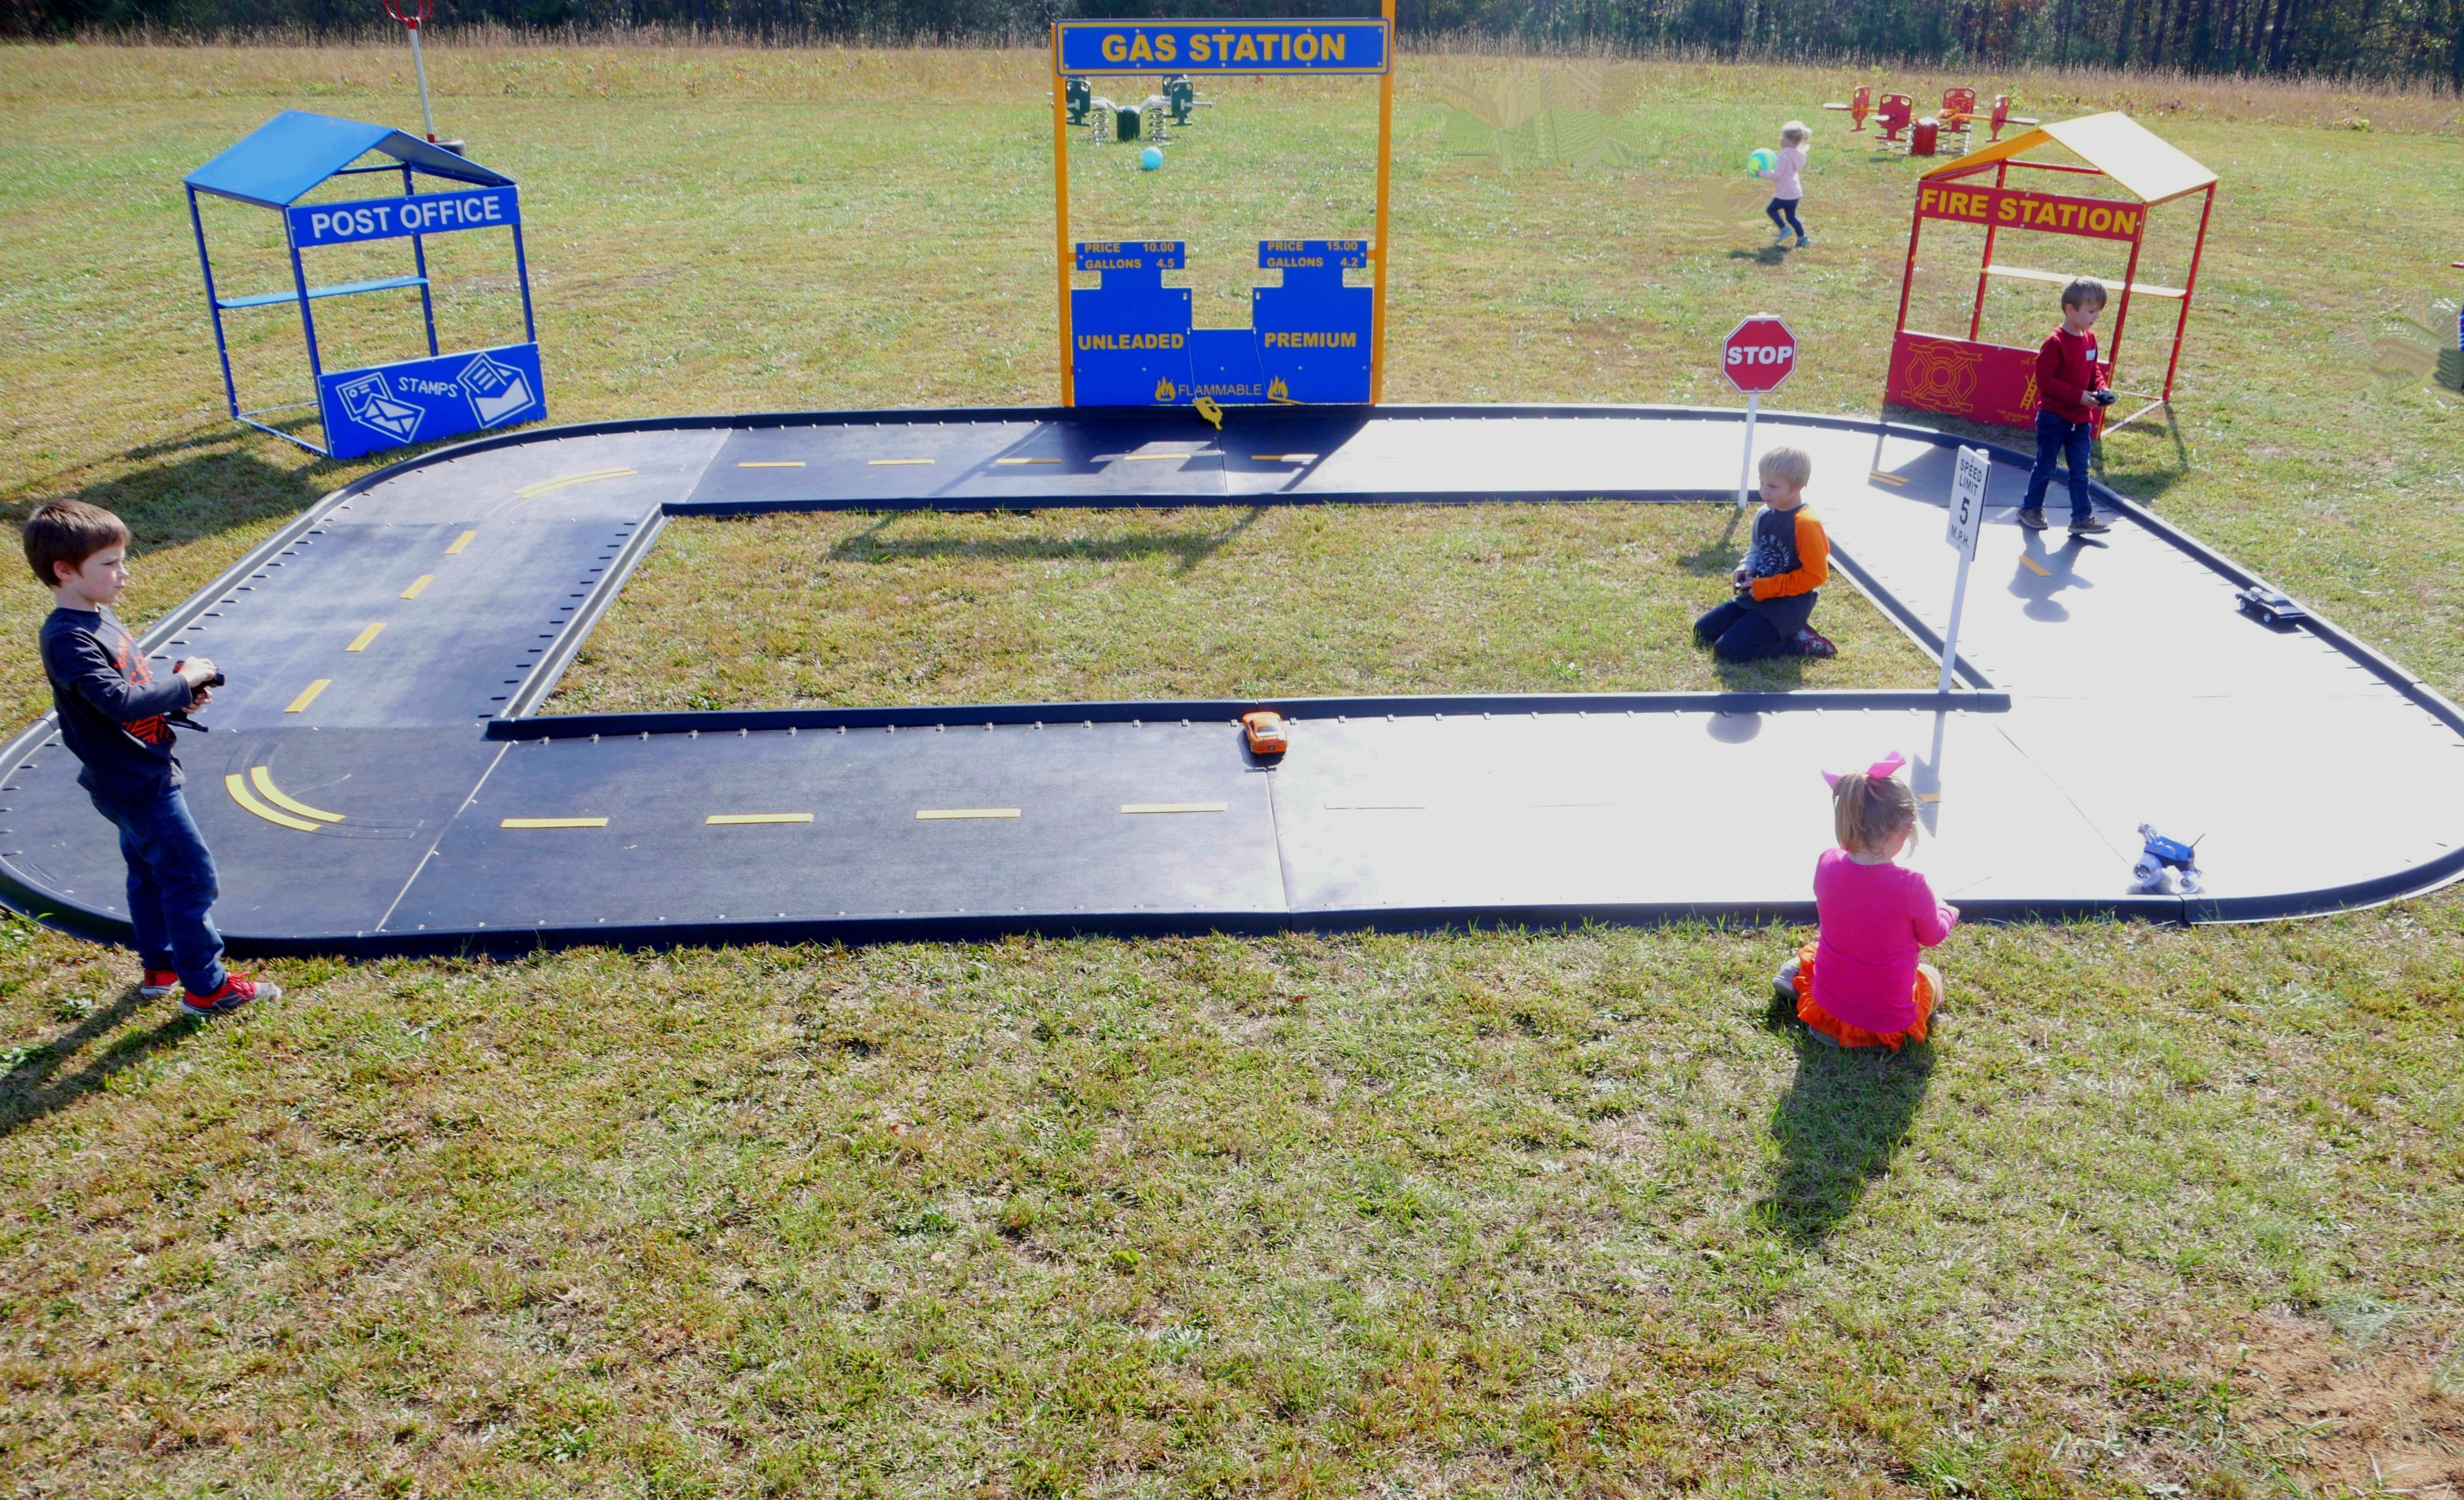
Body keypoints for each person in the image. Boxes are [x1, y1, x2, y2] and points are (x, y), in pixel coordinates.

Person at [27, 500, 280, 1018]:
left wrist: (178, 701)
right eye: (109, 564)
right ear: (64, 571)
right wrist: (182, 681)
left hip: (129, 772)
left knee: (148, 874)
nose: (124, 573)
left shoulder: (98, 616)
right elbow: (118, 702)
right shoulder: (68, 637)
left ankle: (161, 967)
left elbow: (128, 693)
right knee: (191, 878)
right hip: (137, 782)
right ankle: (207, 987)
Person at [1773, 753, 1956, 1052]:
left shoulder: (1827, 862)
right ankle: (1798, 974)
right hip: (1883, 1027)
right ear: (1907, 828)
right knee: (1930, 977)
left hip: (1826, 1018)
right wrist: (1947, 911)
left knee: (1824, 949)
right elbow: (1932, 936)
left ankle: (1793, 972)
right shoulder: (1912, 885)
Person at [1693, 446, 1836, 661]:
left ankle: (1798, 642)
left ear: (1797, 486)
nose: (1764, 492)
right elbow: (1756, 550)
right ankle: (1760, 627)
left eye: (1773, 486)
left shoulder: (1807, 524)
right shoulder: (1764, 513)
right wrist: (1746, 568)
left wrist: (1767, 587)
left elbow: (1816, 576)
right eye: (1761, 483)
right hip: (1759, 596)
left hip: (1789, 606)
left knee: (1728, 649)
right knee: (1703, 630)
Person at [2018, 277, 2120, 536]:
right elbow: (2045, 381)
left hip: (2081, 419)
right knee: (2046, 465)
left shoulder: (2090, 339)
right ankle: (2031, 508)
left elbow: (2093, 370)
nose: (2096, 317)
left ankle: (2081, 517)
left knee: (2080, 469)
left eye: (2098, 311)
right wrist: (2078, 396)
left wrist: (2101, 389)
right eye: (2091, 311)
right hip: (2054, 417)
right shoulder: (2055, 342)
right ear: (2070, 310)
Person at [1756, 120, 1813, 247]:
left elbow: (1777, 175)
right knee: (1791, 217)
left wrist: (1762, 173)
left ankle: (1784, 229)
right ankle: (1803, 238)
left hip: (1785, 193)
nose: (1781, 140)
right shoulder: (1799, 154)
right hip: (1795, 192)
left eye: (1783, 137)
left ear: (1791, 141)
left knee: (1771, 210)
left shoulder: (1784, 155)